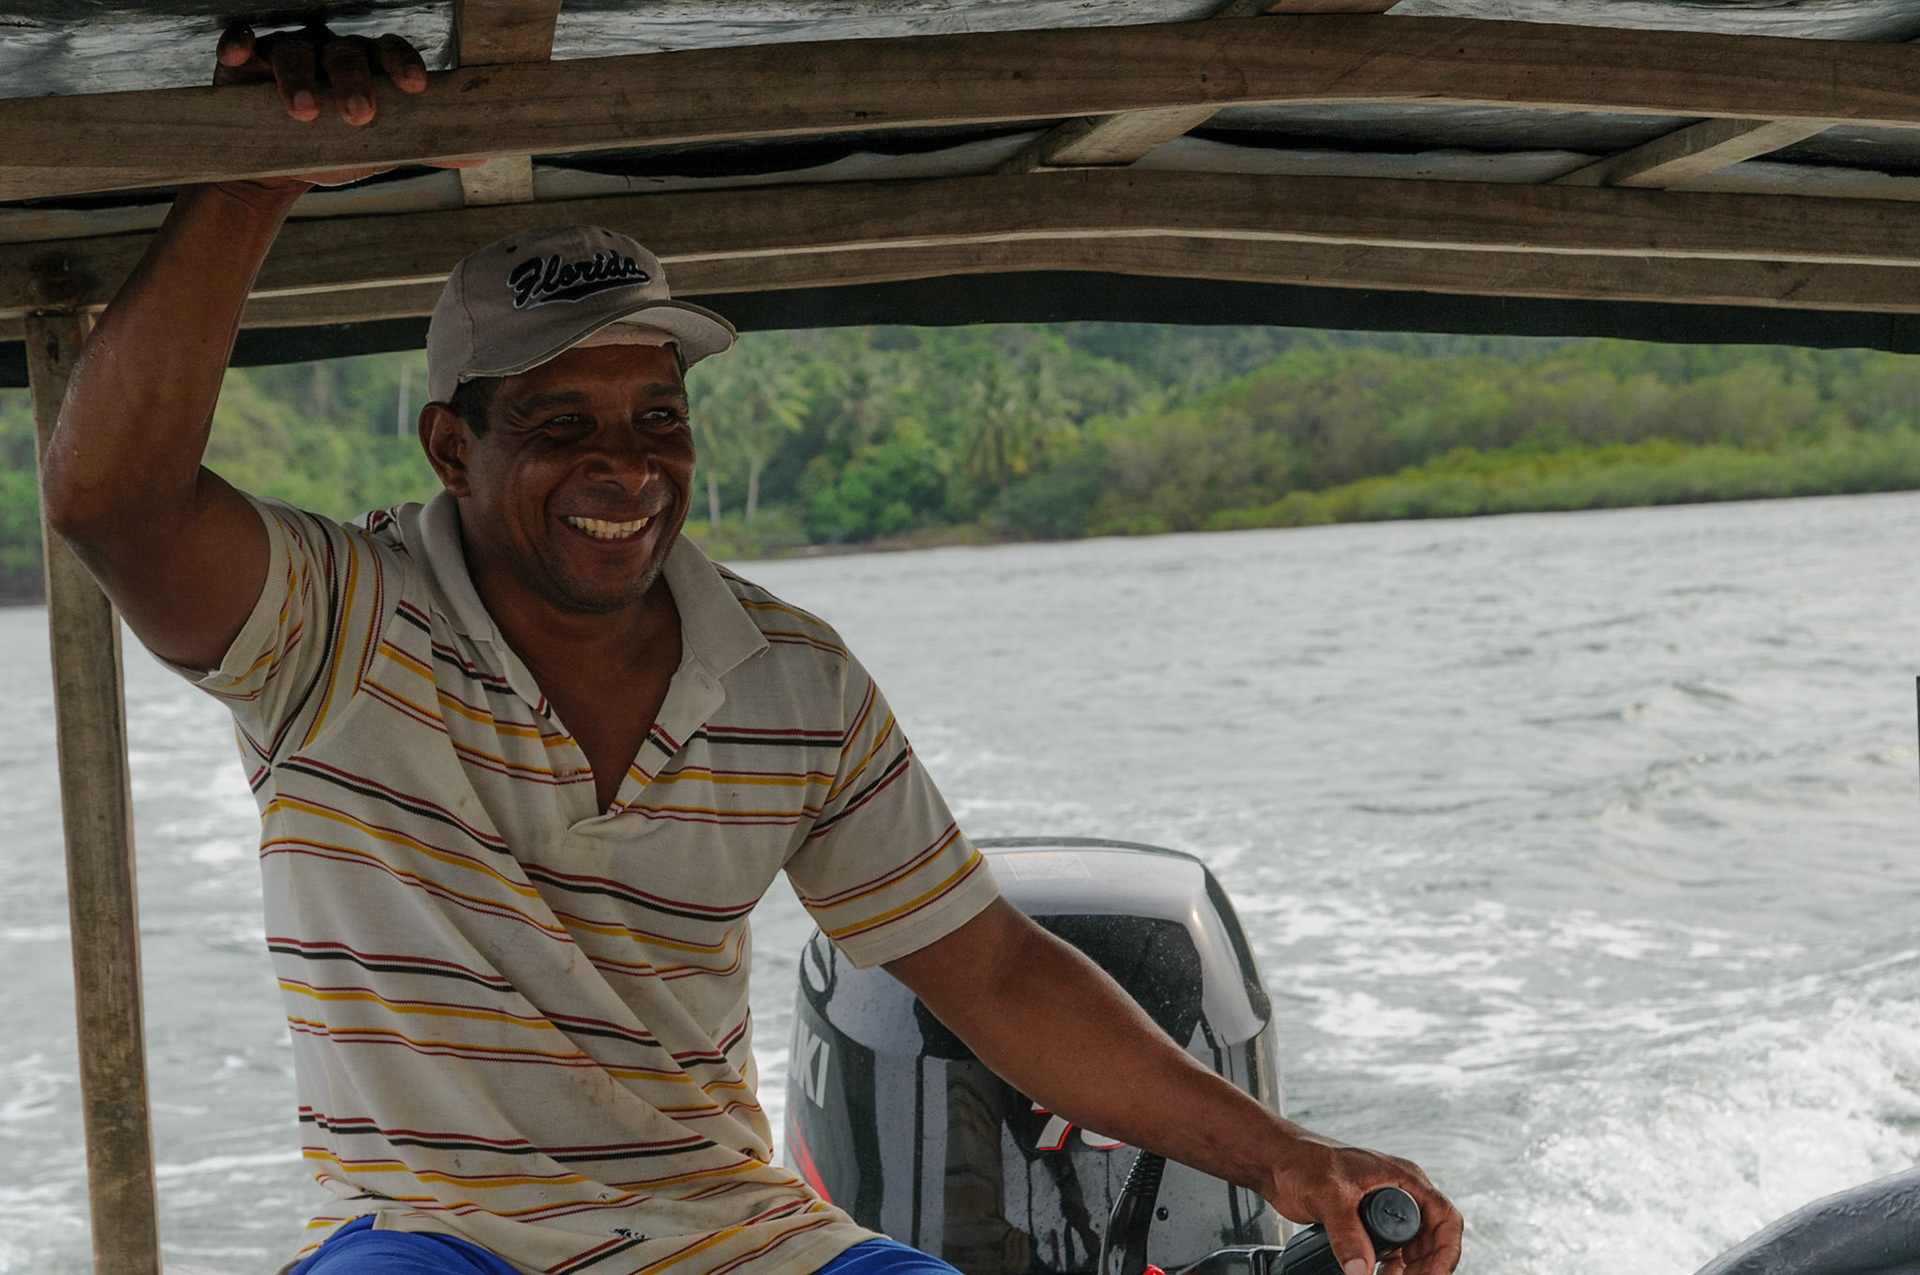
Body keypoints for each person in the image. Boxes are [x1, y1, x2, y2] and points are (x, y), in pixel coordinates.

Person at [40, 23, 1464, 1275]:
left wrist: (1288, 1160)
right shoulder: (331, 622)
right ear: (451, 449)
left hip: (725, 1229)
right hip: (428, 1232)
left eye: (658, 416)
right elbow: (110, 496)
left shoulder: (793, 679)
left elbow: (992, 973)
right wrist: (254, 176)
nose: (626, 467)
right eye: (563, 425)